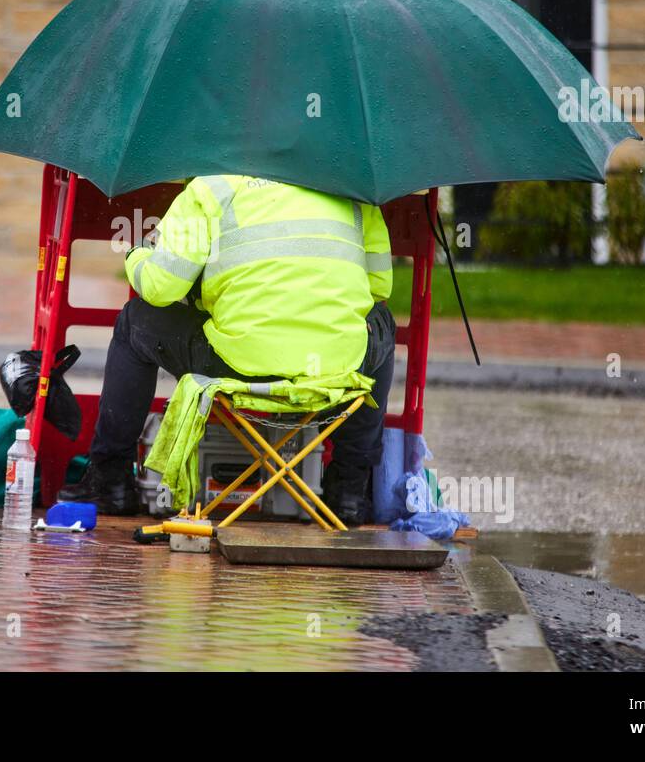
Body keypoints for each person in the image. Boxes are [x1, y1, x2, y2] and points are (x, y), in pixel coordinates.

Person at [59, 174, 396, 524]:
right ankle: (350, 492)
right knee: (382, 323)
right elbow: (379, 289)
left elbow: (161, 288)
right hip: (334, 368)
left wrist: (137, 255)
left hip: (237, 363)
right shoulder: (352, 192)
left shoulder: (211, 190)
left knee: (135, 321)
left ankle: (111, 479)